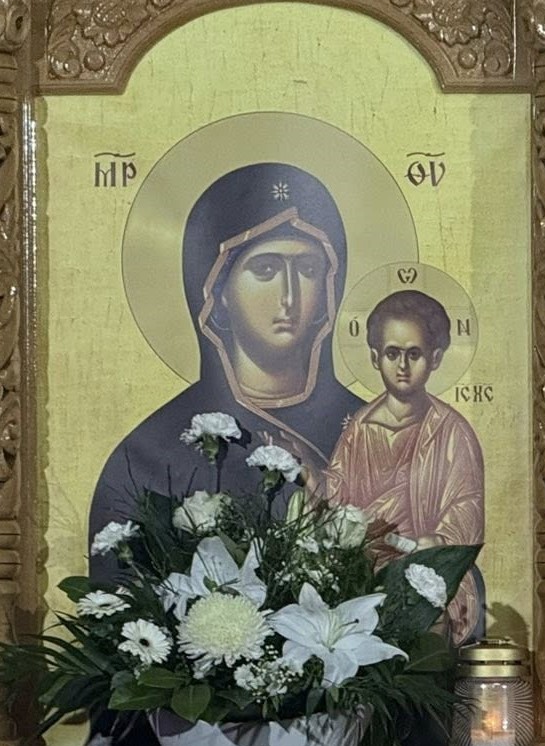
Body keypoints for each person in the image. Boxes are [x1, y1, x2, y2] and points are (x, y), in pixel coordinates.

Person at [90, 162, 364, 579]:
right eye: (266, 269)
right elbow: (118, 596)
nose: (290, 296)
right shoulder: (150, 455)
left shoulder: (382, 432)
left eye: (308, 270)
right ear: (216, 292)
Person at [327, 288, 486, 640]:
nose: (402, 366)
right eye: (392, 353)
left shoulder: (452, 431)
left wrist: (439, 541)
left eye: (414, 354)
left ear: (435, 358)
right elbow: (336, 502)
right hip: (362, 572)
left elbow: (467, 504)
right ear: (375, 357)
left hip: (429, 573)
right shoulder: (358, 431)